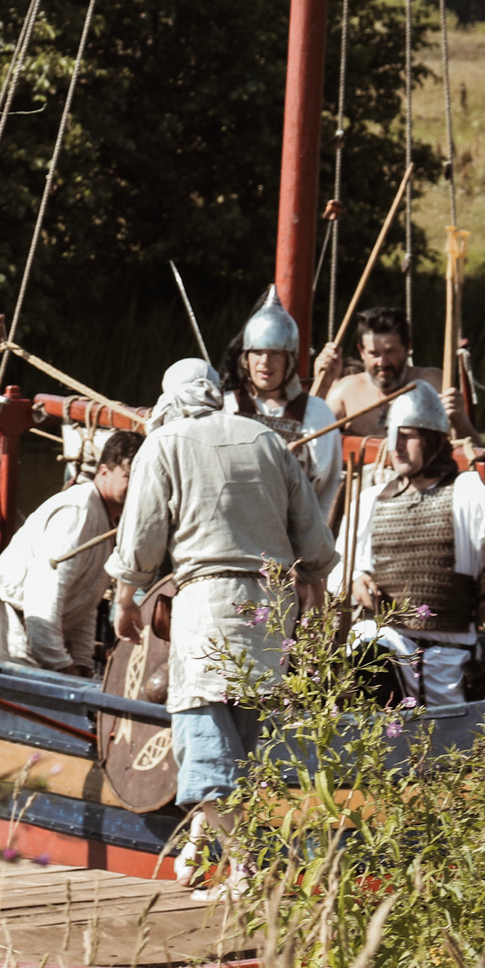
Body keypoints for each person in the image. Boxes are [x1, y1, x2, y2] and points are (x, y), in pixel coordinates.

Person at [109, 360, 334, 875]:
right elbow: (312, 535)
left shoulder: (164, 443)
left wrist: (124, 600)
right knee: (245, 741)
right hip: (273, 605)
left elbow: (142, 539)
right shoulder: (266, 440)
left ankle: (246, 870)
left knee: (204, 737)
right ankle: (200, 851)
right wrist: (315, 602)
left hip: (208, 603)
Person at [347, 388, 485, 707]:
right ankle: (382, 731)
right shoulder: (370, 500)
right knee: (367, 643)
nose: (397, 446)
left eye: (408, 436)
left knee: (455, 726)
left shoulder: (468, 491)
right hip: (391, 646)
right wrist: (355, 580)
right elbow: (341, 567)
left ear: (434, 441)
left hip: (450, 661)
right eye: (393, 436)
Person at [0, 430, 143, 676]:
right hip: (7, 628)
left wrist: (82, 663)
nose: (139, 487)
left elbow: (84, 600)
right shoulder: (77, 513)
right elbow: (43, 599)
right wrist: (61, 665)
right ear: (104, 472)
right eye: (129, 476)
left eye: (144, 478)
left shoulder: (110, 520)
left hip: (32, 630)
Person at [223, 290, 340, 514]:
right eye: (258, 352)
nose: (265, 362)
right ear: (246, 358)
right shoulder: (226, 407)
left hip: (293, 526)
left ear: (290, 359)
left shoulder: (317, 413)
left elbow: (326, 489)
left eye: (275, 353)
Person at [315, 304, 455, 440]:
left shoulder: (430, 383)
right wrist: (322, 386)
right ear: (362, 352)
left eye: (391, 352)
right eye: (374, 354)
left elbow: (462, 443)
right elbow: (311, 438)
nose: (382, 362)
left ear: (408, 348)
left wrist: (459, 420)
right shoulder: (346, 390)